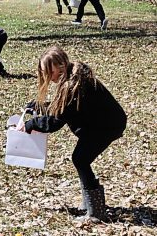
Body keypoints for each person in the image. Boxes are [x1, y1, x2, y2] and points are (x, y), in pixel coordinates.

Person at [21, 46, 126, 222]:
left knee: (81, 159)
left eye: (48, 70)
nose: (47, 75)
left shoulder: (73, 85)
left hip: (107, 125)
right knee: (81, 158)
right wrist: (39, 106)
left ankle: (96, 212)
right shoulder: (72, 77)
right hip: (103, 122)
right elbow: (62, 108)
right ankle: (90, 204)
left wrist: (31, 124)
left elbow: (55, 122)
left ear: (61, 65)